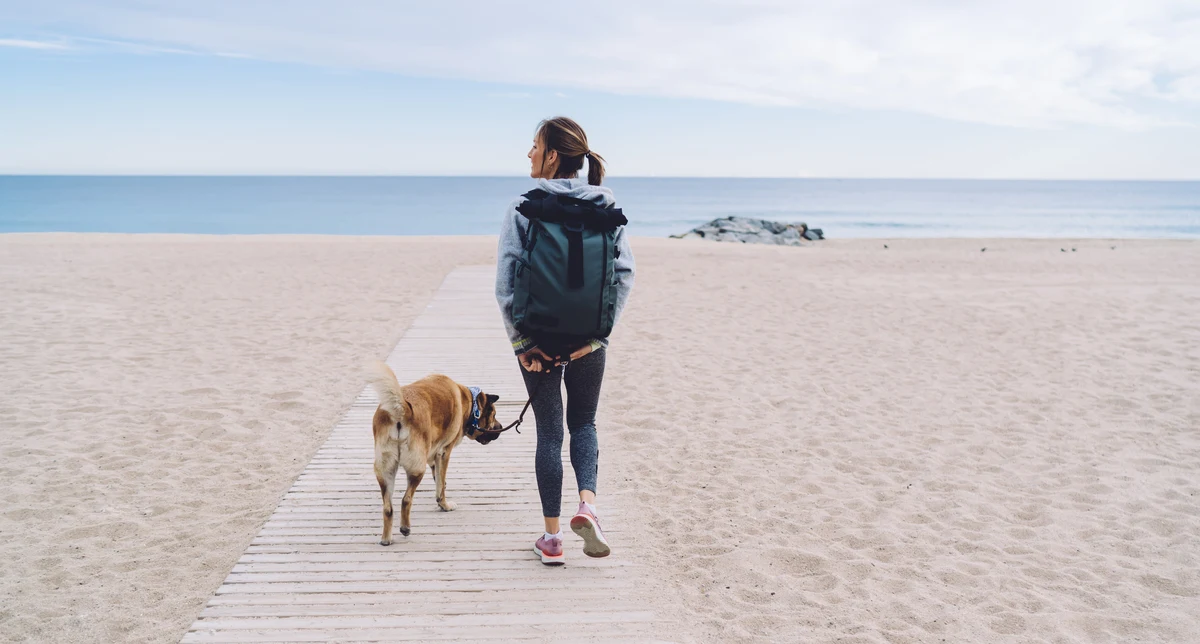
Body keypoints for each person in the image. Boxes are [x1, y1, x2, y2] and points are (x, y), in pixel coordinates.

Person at [495, 117, 635, 565]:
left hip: (537, 337)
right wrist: (597, 337)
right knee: (584, 424)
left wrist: (523, 345)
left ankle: (552, 540)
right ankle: (588, 506)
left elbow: (506, 283)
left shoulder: (524, 205)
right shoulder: (606, 204)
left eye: (535, 146)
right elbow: (625, 275)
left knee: (549, 433)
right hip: (588, 339)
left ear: (553, 154)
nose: (530, 154)